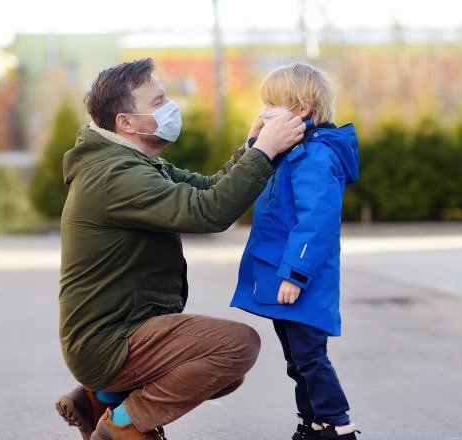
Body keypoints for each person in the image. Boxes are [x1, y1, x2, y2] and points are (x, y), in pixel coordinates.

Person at [54, 57, 306, 440]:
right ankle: (124, 425)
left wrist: (251, 145)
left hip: (114, 334)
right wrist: (264, 154)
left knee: (221, 374)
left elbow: (205, 189)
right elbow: (209, 213)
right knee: (236, 347)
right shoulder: (115, 175)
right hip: (108, 342)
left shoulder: (130, 162)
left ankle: (100, 400)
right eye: (157, 103)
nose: (170, 108)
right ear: (126, 122)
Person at [230, 62, 360, 439]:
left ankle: (337, 424)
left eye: (272, 103)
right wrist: (252, 144)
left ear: (301, 110)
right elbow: (252, 179)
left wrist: (295, 274)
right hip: (283, 275)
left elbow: (316, 223)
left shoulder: (314, 157)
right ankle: (312, 422)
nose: (263, 110)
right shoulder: (290, 151)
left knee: (310, 358)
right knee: (297, 360)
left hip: (300, 279)